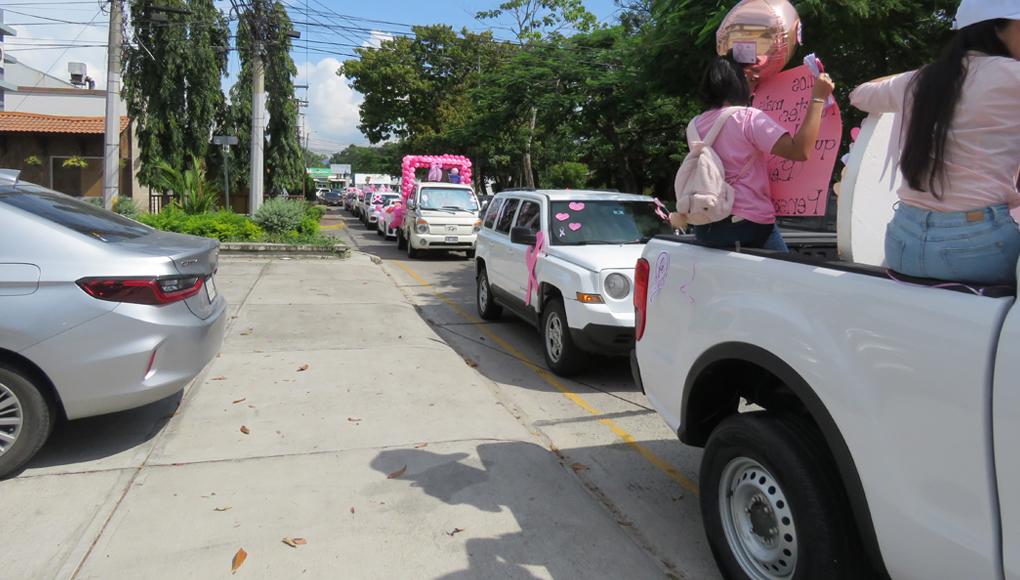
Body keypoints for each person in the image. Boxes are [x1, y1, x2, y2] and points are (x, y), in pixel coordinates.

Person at [850, 2, 1020, 285]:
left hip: (902, 243)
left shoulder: (923, 80)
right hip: (978, 247)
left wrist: (918, 74)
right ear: (996, 28)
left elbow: (860, 95)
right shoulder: (1014, 76)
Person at [672, 52, 835, 250]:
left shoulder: (695, 125)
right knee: (784, 270)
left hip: (706, 223)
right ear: (738, 82)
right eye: (748, 76)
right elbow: (799, 150)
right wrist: (818, 98)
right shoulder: (748, 118)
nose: (754, 80)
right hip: (747, 223)